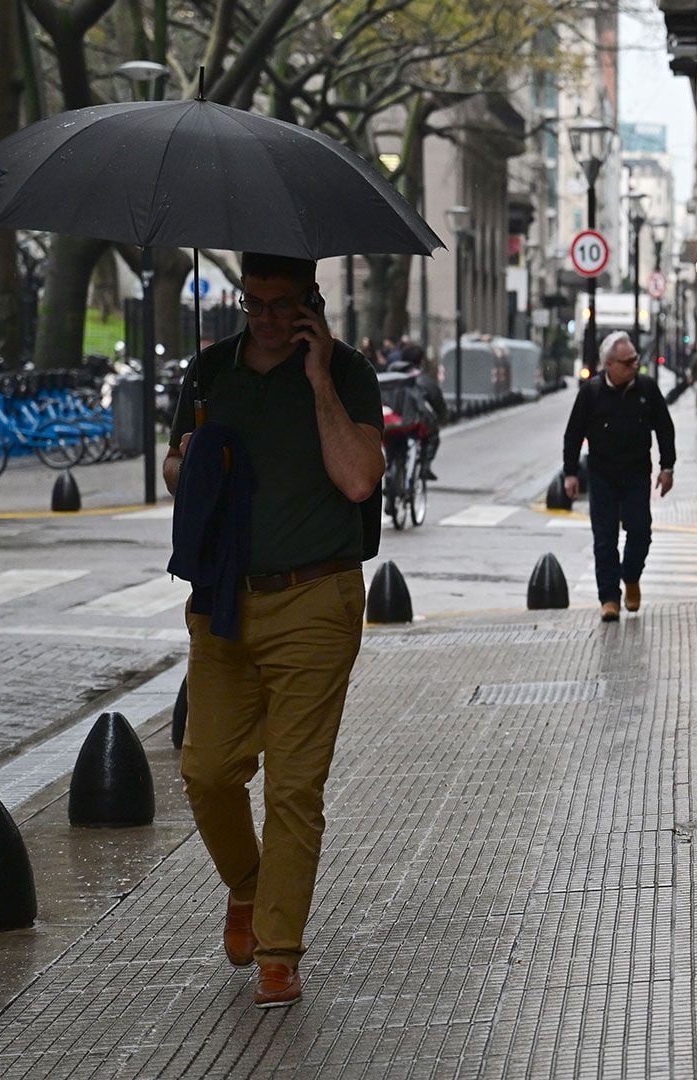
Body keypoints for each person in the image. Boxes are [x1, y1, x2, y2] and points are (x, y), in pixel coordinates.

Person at [163, 251, 383, 1010]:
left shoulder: (347, 372)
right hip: (222, 598)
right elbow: (171, 469)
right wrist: (184, 460)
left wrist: (318, 378)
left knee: (294, 786)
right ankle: (249, 886)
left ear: (310, 304)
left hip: (317, 599)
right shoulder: (206, 371)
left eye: (280, 303)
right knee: (207, 770)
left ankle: (279, 953)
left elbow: (359, 478)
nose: (263, 316)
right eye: (253, 302)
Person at [562, 330, 676, 622]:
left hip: (637, 473)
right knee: (604, 538)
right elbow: (573, 434)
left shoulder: (647, 390)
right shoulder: (591, 392)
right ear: (609, 364)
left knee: (641, 532)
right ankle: (609, 597)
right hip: (602, 475)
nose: (634, 366)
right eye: (627, 362)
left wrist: (667, 467)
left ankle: (631, 576)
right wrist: (570, 473)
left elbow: (665, 428)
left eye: (635, 360)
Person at [395, 344, 447, 481]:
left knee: (393, 443)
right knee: (432, 435)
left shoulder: (392, 376)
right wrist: (442, 418)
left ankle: (392, 471)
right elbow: (437, 402)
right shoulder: (424, 380)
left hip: (391, 422)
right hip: (414, 422)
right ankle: (425, 467)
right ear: (420, 361)